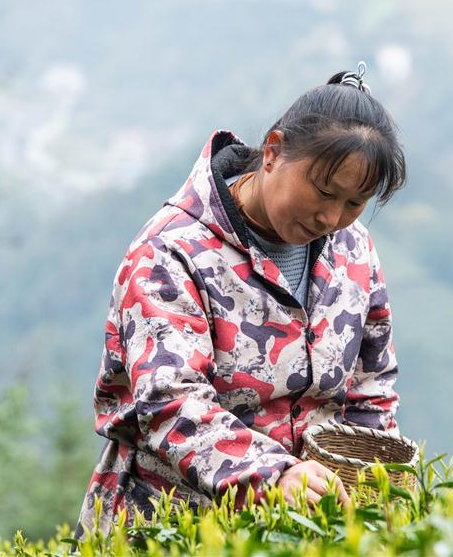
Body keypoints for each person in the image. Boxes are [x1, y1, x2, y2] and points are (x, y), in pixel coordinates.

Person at [73, 63, 407, 539]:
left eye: (355, 203)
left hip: (302, 530)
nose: (332, 216)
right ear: (273, 151)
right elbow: (169, 402)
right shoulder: (172, 252)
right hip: (170, 526)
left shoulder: (354, 251)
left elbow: (370, 388)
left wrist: (373, 489)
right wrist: (274, 475)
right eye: (324, 190)